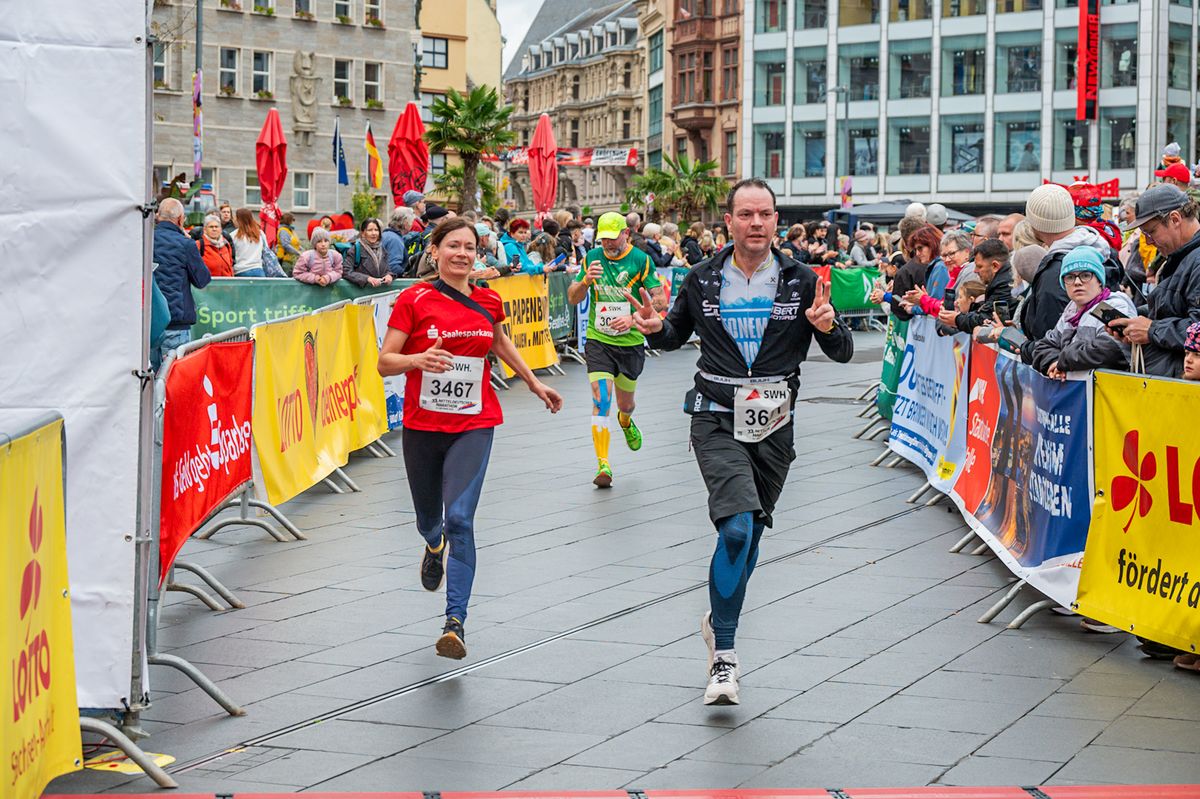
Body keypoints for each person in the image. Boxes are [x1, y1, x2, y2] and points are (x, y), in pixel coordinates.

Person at [628, 178, 853, 706]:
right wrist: (654, 328)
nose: (756, 223)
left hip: (774, 422)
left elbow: (842, 351)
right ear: (728, 221)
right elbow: (674, 334)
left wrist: (828, 326)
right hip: (715, 415)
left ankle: (717, 619)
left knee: (750, 535)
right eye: (746, 214)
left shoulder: (801, 279)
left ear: (776, 221)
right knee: (734, 528)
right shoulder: (702, 277)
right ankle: (724, 657)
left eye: (765, 214)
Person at [377, 217, 563, 659]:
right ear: (435, 251)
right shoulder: (413, 299)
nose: (462, 253)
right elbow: (385, 362)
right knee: (429, 519)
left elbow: (501, 343)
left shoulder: (488, 299)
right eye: (453, 245)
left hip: (474, 422)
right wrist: (417, 360)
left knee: (460, 518)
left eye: (469, 247)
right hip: (423, 426)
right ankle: (432, 543)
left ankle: (454, 622)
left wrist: (535, 383)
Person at [567, 212, 665, 487]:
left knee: (625, 404)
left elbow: (659, 300)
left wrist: (634, 317)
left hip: (630, 342)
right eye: (604, 239)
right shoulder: (592, 257)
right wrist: (585, 281)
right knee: (601, 400)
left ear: (626, 234)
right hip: (598, 339)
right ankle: (603, 465)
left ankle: (625, 421)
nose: (608, 244)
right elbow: (573, 297)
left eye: (613, 238)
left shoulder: (641, 260)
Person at [1108, 185, 1200, 378]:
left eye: (1151, 232)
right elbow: (1171, 310)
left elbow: (1196, 327)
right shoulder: (1180, 257)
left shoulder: (1194, 260)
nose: (1148, 241)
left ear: (1175, 219)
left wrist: (1151, 330)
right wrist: (1133, 324)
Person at [1027, 247, 1136, 377]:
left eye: (1085, 275)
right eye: (1070, 277)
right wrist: (1053, 362)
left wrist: (1063, 361)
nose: (1077, 282)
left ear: (1099, 281)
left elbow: (1112, 349)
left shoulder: (1112, 307)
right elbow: (1044, 346)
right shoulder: (1071, 311)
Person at [1018, 184, 1107, 343]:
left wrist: (1020, 343)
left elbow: (1048, 340)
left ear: (1034, 223)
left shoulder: (1055, 270)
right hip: (1097, 349)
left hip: (1069, 355)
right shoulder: (1100, 248)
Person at [152, 197, 211, 369]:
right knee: (174, 377)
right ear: (180, 219)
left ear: (158, 216)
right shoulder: (186, 244)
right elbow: (202, 280)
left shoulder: (145, 240)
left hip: (149, 323)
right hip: (176, 323)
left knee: (148, 379)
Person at [942, 238, 1013, 334]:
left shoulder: (1003, 285)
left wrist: (957, 319)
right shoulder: (1000, 282)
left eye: (979, 266)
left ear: (995, 266)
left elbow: (986, 318)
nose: (975, 271)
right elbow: (986, 311)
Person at [343, 218, 395, 288]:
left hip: (380, 291)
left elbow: (388, 269)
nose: (374, 233)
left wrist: (389, 275)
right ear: (363, 233)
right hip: (361, 291)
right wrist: (367, 279)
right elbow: (346, 271)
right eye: (370, 230)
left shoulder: (382, 249)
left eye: (376, 230)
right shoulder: (355, 249)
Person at [231, 208, 270, 276]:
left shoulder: (233, 235)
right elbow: (266, 250)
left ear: (238, 220)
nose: (234, 220)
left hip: (241, 270)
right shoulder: (260, 233)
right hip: (258, 270)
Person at [196, 213, 234, 278]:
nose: (214, 229)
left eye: (216, 227)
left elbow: (230, 266)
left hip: (226, 283)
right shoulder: (198, 245)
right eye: (211, 227)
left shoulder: (226, 244)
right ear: (205, 230)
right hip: (208, 283)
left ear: (221, 229)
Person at [382, 207, 416, 276]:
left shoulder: (386, 234)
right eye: (411, 222)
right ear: (406, 223)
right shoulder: (395, 240)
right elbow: (393, 267)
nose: (412, 225)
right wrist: (408, 275)